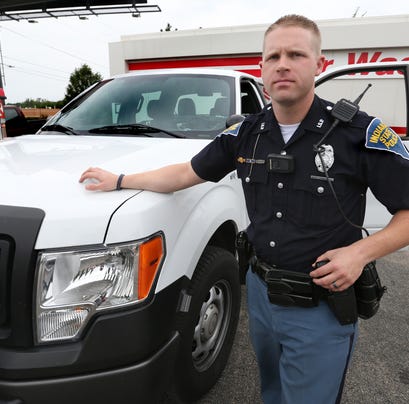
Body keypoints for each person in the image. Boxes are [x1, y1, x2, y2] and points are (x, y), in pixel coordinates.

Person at [79, 14, 409, 404]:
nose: (283, 64)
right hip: (261, 293)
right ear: (262, 68)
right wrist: (120, 180)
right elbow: (185, 173)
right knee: (271, 390)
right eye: (273, 57)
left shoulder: (360, 134)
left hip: (320, 303)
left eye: (296, 54)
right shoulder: (245, 134)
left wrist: (360, 253)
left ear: (319, 65)